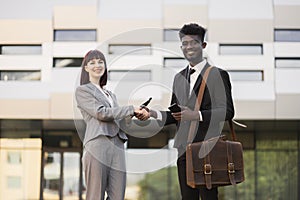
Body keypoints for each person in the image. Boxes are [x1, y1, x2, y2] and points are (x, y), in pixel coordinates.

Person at [148, 23, 235, 199]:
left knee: (209, 197)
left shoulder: (218, 74)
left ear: (203, 45)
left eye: (194, 42)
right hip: (183, 149)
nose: (189, 47)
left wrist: (195, 115)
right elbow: (176, 115)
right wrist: (151, 114)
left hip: (207, 149)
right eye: (185, 43)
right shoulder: (179, 78)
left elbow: (227, 111)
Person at [75, 49, 149, 200]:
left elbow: (118, 120)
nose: (98, 65)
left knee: (117, 195)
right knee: (96, 194)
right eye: (93, 62)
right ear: (86, 68)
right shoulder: (83, 90)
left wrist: (136, 113)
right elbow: (101, 113)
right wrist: (130, 108)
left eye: (101, 62)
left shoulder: (110, 95)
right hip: (98, 144)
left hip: (117, 145)